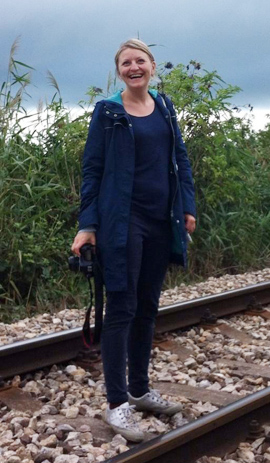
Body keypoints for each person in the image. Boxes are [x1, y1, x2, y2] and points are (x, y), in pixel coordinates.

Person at [71, 38, 196, 442]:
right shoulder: (108, 112)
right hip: (122, 223)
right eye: (126, 63)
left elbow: (180, 159)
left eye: (140, 60)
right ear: (119, 71)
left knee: (147, 307)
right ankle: (117, 404)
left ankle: (140, 390)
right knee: (122, 308)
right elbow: (92, 170)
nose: (134, 67)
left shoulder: (164, 106)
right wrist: (87, 224)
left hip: (162, 220)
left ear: (152, 65)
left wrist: (187, 206)